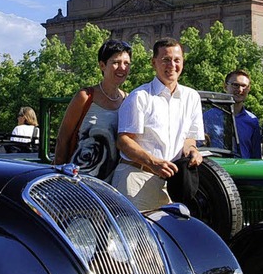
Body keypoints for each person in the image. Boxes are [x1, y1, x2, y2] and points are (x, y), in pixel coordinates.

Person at [112, 37, 204, 211]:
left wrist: (193, 150)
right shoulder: (140, 96)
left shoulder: (192, 97)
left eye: (177, 60)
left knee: (169, 237)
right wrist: (153, 162)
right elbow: (123, 141)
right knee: (135, 238)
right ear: (154, 63)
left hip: (174, 184)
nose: (172, 65)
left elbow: (189, 139)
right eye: (165, 60)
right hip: (137, 180)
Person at [54, 39, 132, 182]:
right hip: (79, 182)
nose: (122, 68)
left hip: (113, 185)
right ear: (102, 65)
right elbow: (63, 139)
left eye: (126, 63)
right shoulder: (85, 97)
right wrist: (59, 178)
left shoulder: (129, 100)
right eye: (116, 62)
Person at [203, 69, 261, 158]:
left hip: (243, 169)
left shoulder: (252, 120)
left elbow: (256, 155)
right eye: (235, 85)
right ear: (225, 87)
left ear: (249, 89)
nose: (240, 90)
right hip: (217, 169)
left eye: (244, 86)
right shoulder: (208, 117)